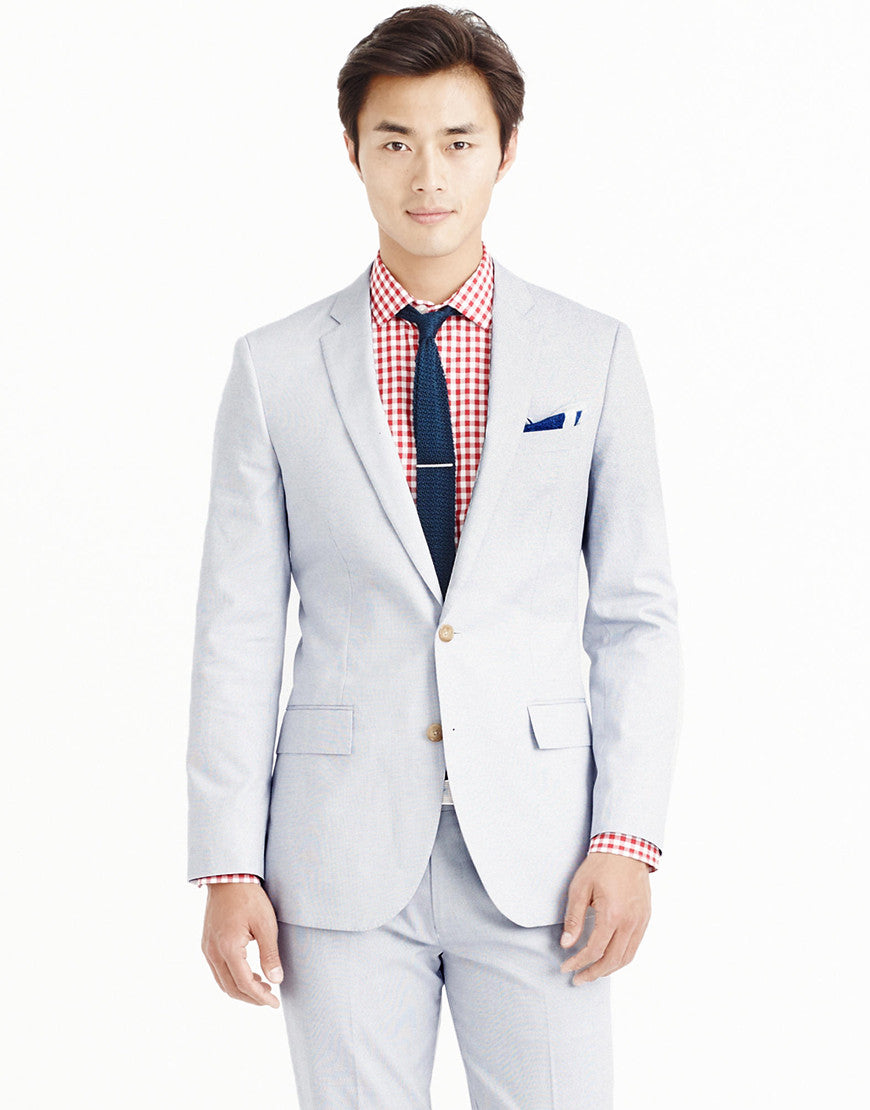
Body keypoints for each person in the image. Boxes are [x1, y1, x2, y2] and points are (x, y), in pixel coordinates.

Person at [187, 6, 682, 1107]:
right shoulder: (274, 369)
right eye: (395, 140)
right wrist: (227, 863)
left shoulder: (592, 353)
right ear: (352, 150)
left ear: (507, 150)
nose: (428, 175)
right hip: (336, 851)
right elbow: (238, 629)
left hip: (547, 856)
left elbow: (636, 616)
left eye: (459, 141)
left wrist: (628, 838)